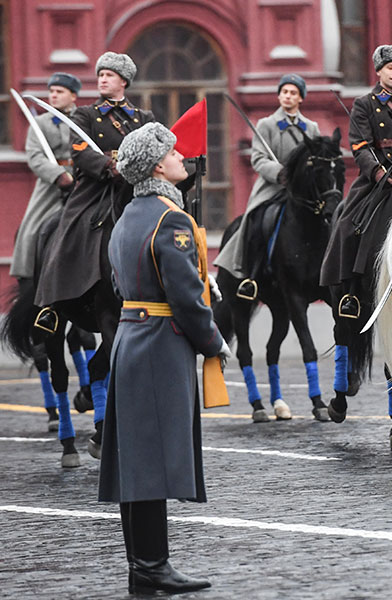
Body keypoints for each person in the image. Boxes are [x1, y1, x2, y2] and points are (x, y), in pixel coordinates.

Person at [99, 122, 228, 594]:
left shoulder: (127, 217)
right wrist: (213, 341)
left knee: (135, 461)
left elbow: (118, 287)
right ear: (157, 165)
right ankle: (153, 566)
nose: (181, 158)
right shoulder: (169, 218)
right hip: (160, 343)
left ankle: (143, 567)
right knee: (151, 462)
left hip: (130, 340)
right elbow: (187, 295)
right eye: (174, 154)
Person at [34, 52, 155, 329]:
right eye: (100, 74)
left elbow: (155, 149)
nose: (102, 79)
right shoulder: (85, 114)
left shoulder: (143, 118)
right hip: (95, 188)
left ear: (123, 81)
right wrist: (108, 166)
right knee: (67, 228)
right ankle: (51, 303)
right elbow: (79, 150)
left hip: (135, 187)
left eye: (109, 75)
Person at [320, 44, 392, 318]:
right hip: (379, 178)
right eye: (391, 68)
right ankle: (350, 292)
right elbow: (359, 146)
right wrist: (377, 173)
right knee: (350, 226)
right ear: (379, 71)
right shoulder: (365, 104)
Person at [214, 73, 321, 300]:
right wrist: (280, 173)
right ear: (279, 95)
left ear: (300, 98)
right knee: (259, 221)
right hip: (273, 189)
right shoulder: (266, 125)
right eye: (284, 92)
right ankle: (251, 275)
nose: (288, 96)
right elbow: (259, 159)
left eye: (293, 93)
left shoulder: (311, 128)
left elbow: (318, 159)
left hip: (302, 192)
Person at [10, 72, 81, 280]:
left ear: (73, 96)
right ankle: (27, 275)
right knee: (31, 229)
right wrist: (59, 175)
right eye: (51, 91)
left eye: (60, 91)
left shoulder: (83, 119)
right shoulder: (40, 123)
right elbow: (34, 156)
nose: (54, 95)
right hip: (51, 185)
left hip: (82, 179)